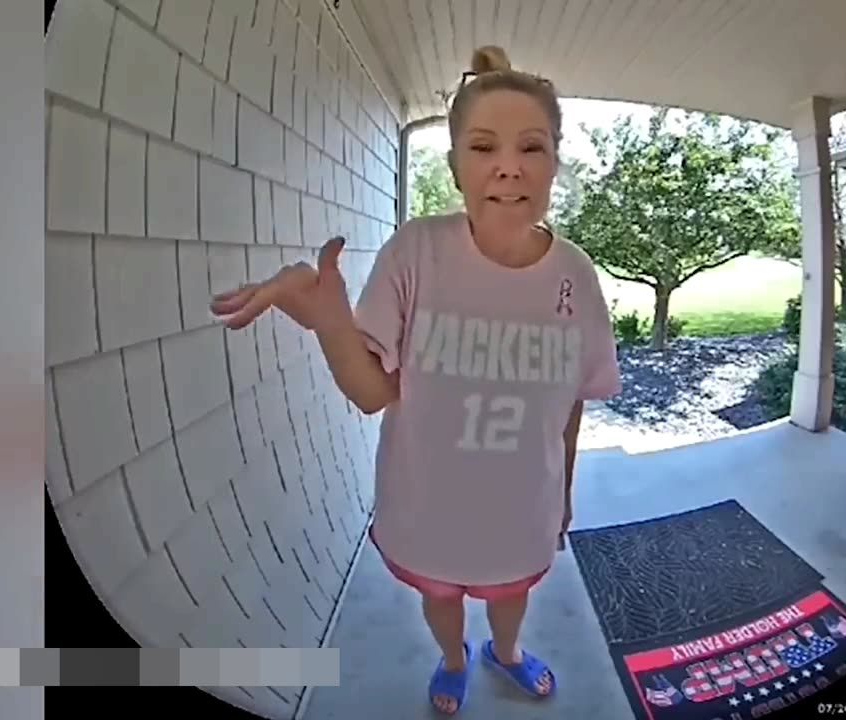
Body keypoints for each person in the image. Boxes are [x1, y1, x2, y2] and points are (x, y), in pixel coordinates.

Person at [210, 45, 621, 715]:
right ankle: (455, 658)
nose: (509, 166)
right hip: (425, 509)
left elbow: (570, 403)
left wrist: (565, 492)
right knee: (442, 597)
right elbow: (374, 392)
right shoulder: (417, 252)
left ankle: (506, 654)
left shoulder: (576, 276)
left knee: (511, 595)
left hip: (523, 511)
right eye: (483, 147)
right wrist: (329, 321)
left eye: (532, 147)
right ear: (456, 166)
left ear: (554, 163)